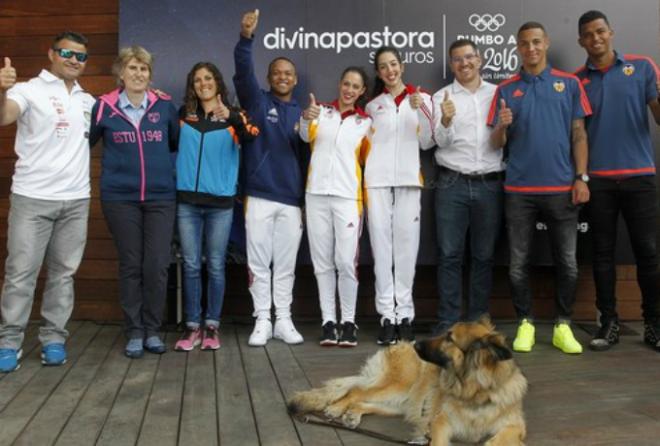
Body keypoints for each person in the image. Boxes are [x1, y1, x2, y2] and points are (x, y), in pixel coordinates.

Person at [487, 22, 591, 354]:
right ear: (517, 48)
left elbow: (579, 135)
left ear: (546, 43)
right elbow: (495, 143)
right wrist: (502, 127)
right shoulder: (505, 89)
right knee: (518, 263)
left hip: (562, 189)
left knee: (568, 262)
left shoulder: (570, 83)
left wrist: (581, 177)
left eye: (536, 42)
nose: (530, 48)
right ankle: (525, 323)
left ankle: (563, 325)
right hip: (519, 191)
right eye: (524, 44)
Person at [0, 32, 94, 373]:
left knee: (63, 275)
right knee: (20, 274)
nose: (74, 60)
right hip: (32, 199)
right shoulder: (27, 90)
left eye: (81, 56)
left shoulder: (88, 100)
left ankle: (54, 338)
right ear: (51, 53)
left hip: (76, 201)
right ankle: (9, 343)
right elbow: (4, 116)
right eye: (67, 53)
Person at [574, 10, 660, 352]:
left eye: (600, 32)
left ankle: (654, 324)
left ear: (611, 32)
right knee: (602, 255)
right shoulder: (577, 80)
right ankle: (608, 323)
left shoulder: (641, 67)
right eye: (588, 35)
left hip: (640, 176)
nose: (595, 39)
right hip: (598, 182)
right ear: (580, 41)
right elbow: (576, 134)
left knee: (649, 254)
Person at [90, 46, 179, 358]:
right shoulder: (103, 107)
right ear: (121, 73)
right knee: (131, 265)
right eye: (133, 68)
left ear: (150, 75)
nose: (139, 74)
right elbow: (83, 144)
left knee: (156, 265)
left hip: (160, 197)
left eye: (144, 69)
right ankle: (134, 330)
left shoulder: (165, 106)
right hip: (120, 198)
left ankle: (152, 330)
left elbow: (173, 143)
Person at [234, 10, 308, 346]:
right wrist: (246, 38)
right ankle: (262, 318)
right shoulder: (258, 102)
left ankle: (284, 319)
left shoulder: (304, 114)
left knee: (286, 266)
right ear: (269, 77)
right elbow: (243, 73)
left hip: (291, 200)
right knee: (259, 262)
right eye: (276, 73)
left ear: (294, 80)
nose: (282, 77)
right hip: (260, 195)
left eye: (288, 74)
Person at [174, 62, 259, 352]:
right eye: (197, 79)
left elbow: (252, 134)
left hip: (220, 204)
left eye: (208, 78)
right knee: (191, 265)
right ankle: (192, 327)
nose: (203, 83)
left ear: (217, 82)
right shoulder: (183, 114)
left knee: (216, 266)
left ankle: (212, 326)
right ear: (192, 85)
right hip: (187, 203)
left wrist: (233, 116)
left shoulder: (234, 116)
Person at [431, 39, 503, 335]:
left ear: (480, 59)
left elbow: (506, 136)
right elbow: (439, 141)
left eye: (469, 57)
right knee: (449, 255)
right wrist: (446, 120)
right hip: (452, 182)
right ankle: (448, 323)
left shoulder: (499, 94)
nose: (465, 63)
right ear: (451, 65)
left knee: (484, 256)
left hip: (490, 183)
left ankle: (476, 325)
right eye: (458, 59)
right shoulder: (441, 97)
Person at [365, 46, 435, 345]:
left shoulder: (422, 99)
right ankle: (386, 316)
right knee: (382, 252)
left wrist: (420, 109)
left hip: (408, 182)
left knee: (406, 251)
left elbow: (428, 141)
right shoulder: (372, 106)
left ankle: (405, 315)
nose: (390, 70)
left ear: (402, 66)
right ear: (379, 73)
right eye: (383, 66)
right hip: (377, 184)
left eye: (394, 64)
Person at [300, 67, 371, 347]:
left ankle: (349, 322)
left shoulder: (365, 123)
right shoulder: (322, 112)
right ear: (339, 84)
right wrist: (307, 118)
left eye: (355, 86)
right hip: (315, 195)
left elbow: (374, 158)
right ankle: (328, 322)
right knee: (322, 264)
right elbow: (304, 137)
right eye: (346, 84)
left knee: (345, 262)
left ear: (362, 91)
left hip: (347, 199)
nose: (349, 90)